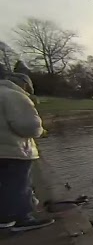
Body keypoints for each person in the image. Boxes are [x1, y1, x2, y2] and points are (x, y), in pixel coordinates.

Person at [0, 72, 55, 231]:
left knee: (3, 184)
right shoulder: (13, 96)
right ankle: (21, 219)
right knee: (18, 184)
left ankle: (3, 219)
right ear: (24, 84)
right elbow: (29, 126)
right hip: (12, 149)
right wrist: (40, 131)